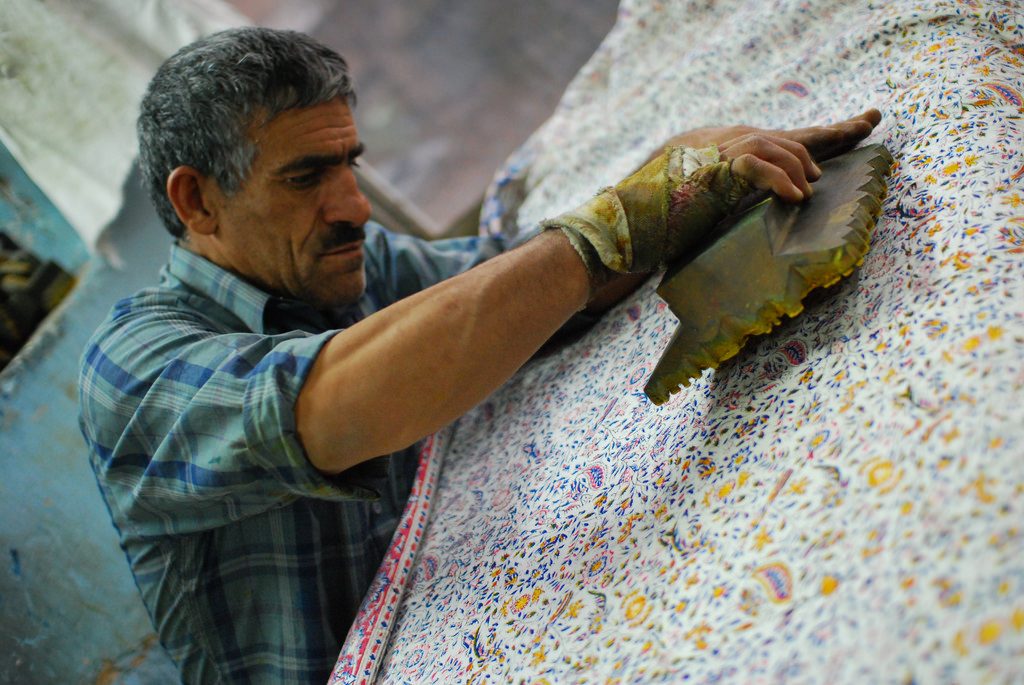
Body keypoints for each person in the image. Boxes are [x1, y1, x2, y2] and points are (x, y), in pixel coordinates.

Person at [78, 26, 880, 684]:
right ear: (196, 201)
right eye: (304, 177)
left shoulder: (348, 262)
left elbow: (526, 284)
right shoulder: (134, 367)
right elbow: (335, 404)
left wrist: (683, 182)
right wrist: (613, 225)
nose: (353, 206)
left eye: (350, 163)